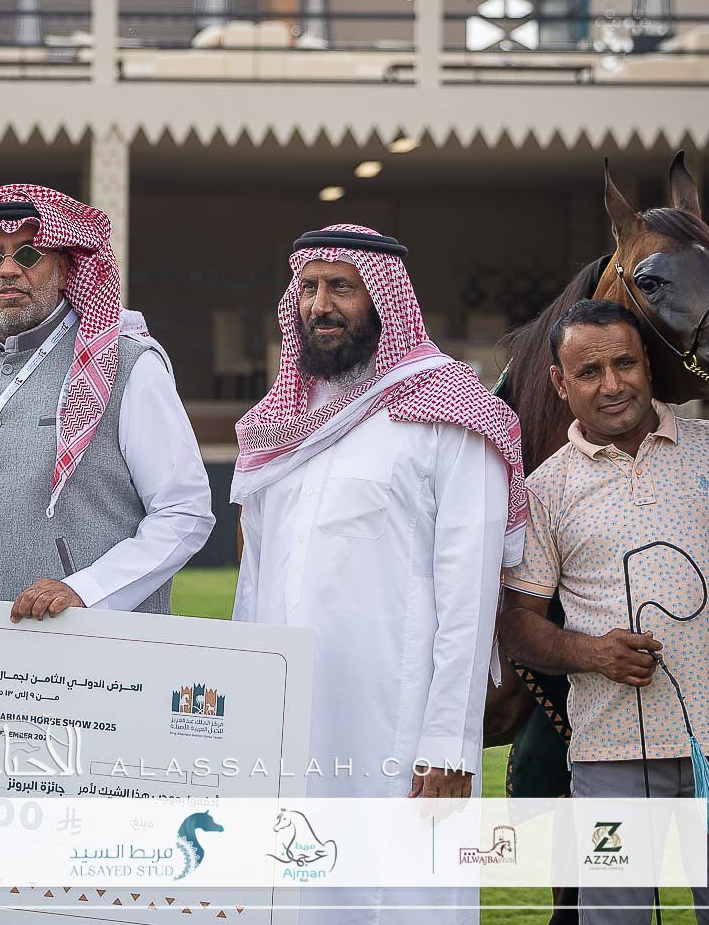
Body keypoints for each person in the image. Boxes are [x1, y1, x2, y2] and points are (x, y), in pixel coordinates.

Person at [231, 223, 526, 924]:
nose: (320, 304)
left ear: (386, 299)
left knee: (398, 894)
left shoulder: (451, 414)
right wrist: (243, 708)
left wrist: (450, 745)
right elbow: (254, 582)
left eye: (342, 286)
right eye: (308, 287)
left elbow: (470, 598)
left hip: (399, 725)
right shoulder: (282, 427)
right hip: (289, 721)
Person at [497, 299, 709, 925]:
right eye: (589, 371)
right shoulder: (544, 489)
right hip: (611, 756)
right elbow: (517, 626)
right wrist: (592, 653)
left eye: (624, 364)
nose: (612, 385)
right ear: (560, 383)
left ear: (648, 366)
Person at [0, 184, 213, 618]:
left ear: (64, 269)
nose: (7, 270)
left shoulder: (125, 364)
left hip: (85, 644)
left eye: (28, 254)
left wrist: (87, 590)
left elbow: (184, 511)